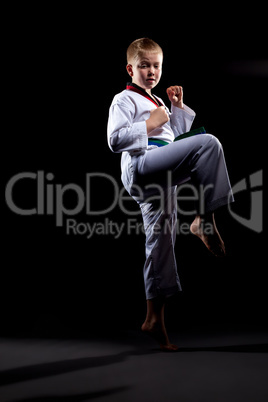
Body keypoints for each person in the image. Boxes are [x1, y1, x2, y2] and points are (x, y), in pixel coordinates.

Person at [107, 38, 234, 351]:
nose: (151, 71)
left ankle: (154, 320)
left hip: (161, 176)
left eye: (156, 66)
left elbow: (173, 140)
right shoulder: (123, 99)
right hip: (142, 165)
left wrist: (175, 109)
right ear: (130, 68)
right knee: (208, 144)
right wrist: (151, 122)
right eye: (144, 66)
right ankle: (203, 220)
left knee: (161, 244)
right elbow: (115, 139)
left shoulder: (157, 102)